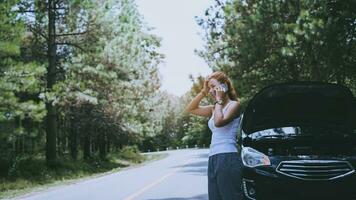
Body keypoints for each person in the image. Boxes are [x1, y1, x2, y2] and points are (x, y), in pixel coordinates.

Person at [185, 71, 243, 200]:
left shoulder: (235, 105)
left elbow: (218, 122)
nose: (211, 91)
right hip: (213, 157)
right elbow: (190, 109)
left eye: (213, 87)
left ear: (224, 87)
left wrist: (219, 100)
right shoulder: (214, 108)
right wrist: (203, 91)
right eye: (209, 87)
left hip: (227, 157)